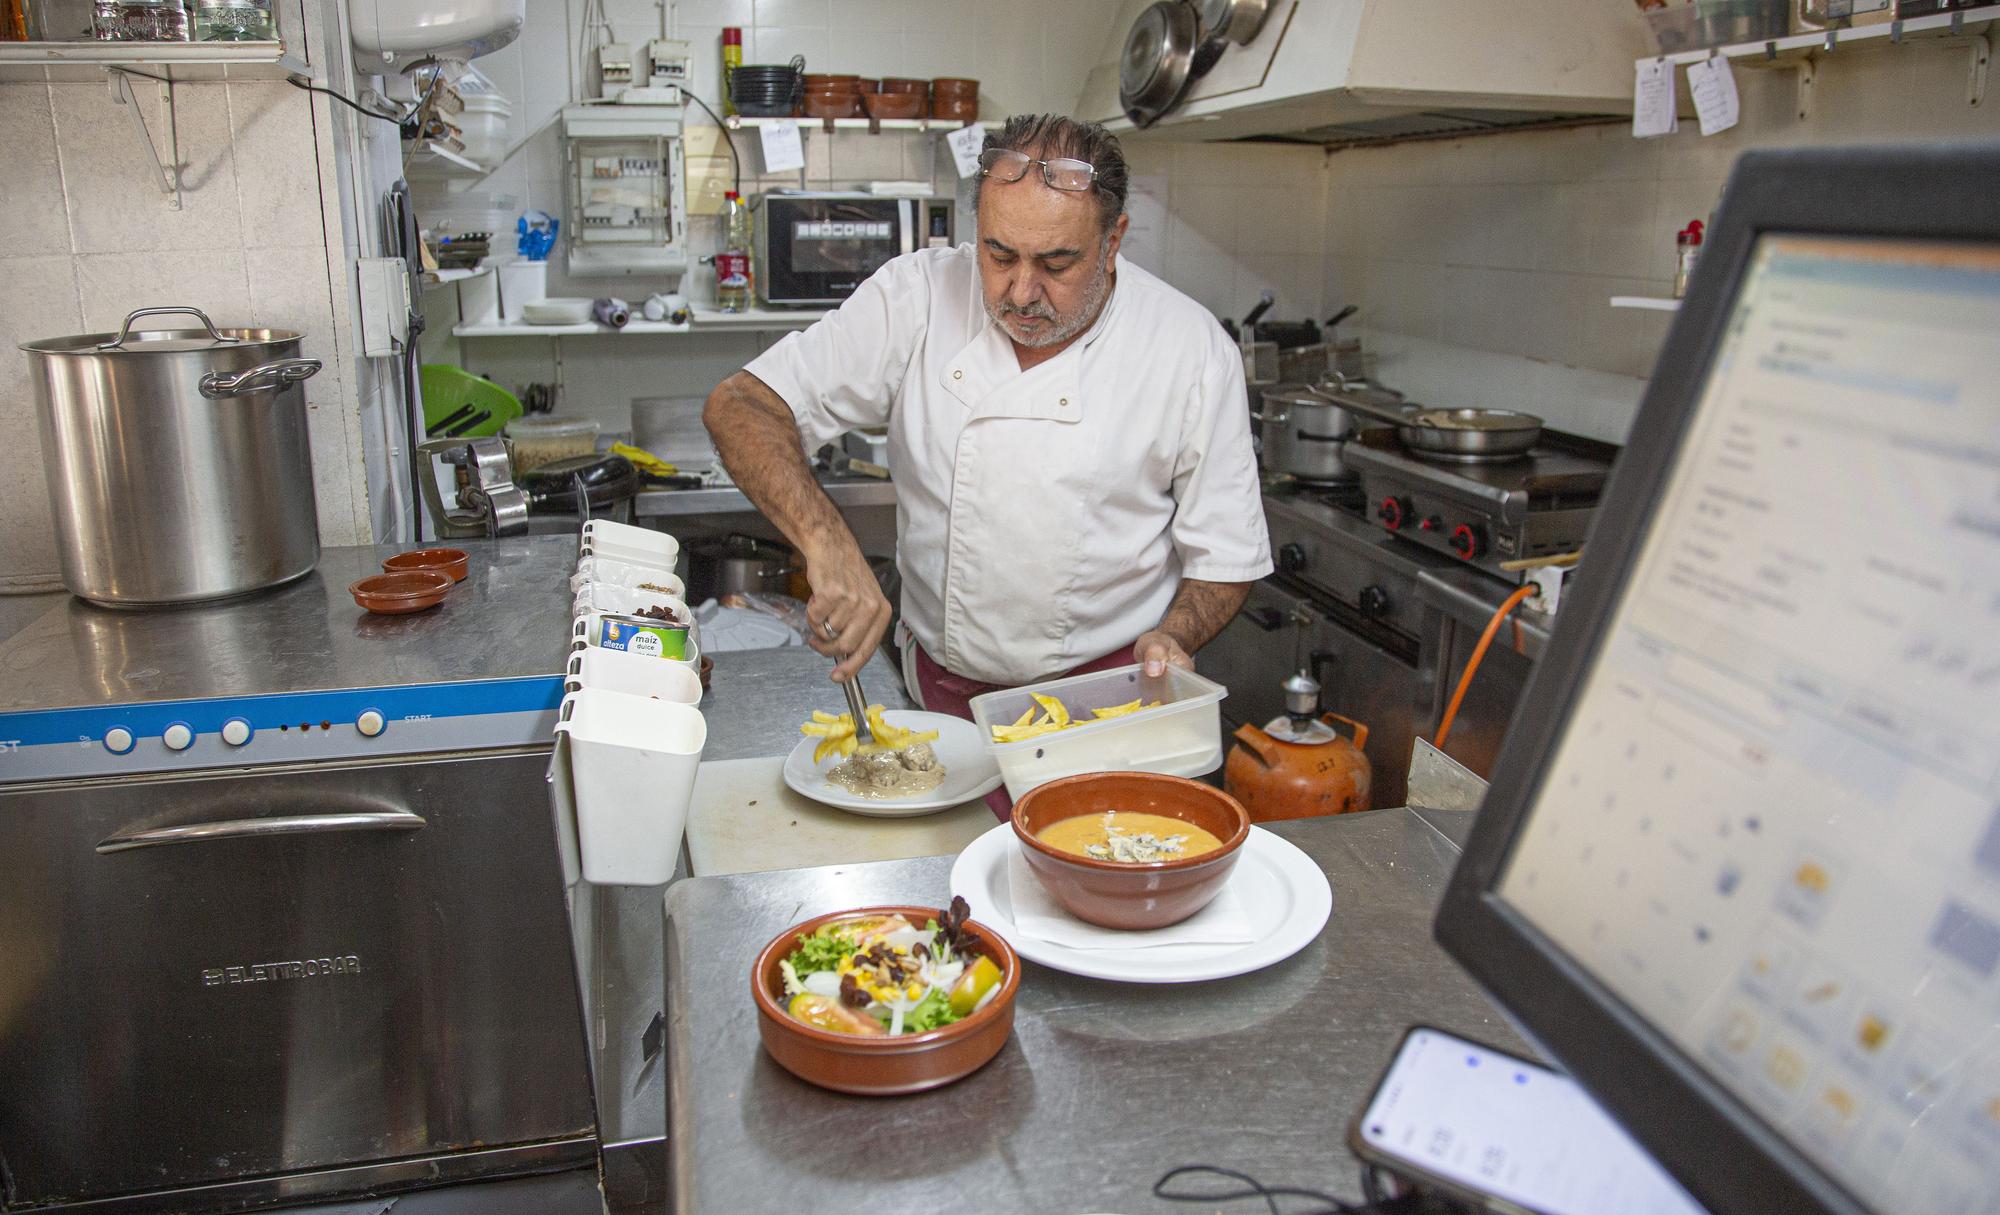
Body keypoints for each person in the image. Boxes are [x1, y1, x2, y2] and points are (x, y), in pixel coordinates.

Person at [703, 113, 1271, 805]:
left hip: (1108, 717)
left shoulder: (1189, 347)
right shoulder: (915, 297)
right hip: (944, 713)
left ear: (1114, 240)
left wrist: (1176, 634)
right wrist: (827, 543)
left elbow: (1227, 559)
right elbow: (741, 405)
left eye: (1056, 264)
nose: (1021, 292)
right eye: (999, 255)